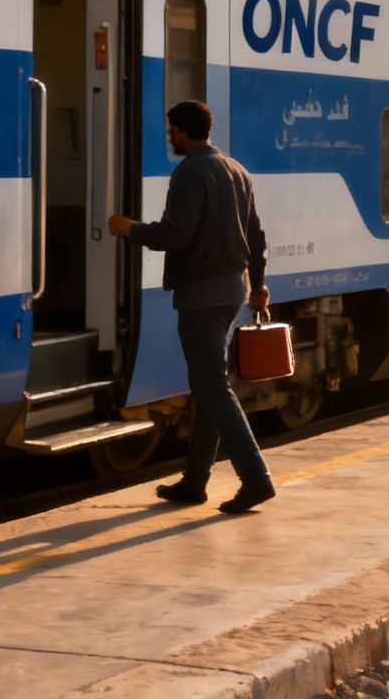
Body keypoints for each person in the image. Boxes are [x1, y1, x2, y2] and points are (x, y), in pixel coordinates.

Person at [107, 100, 275, 514]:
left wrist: (130, 230)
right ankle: (195, 481)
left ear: (182, 130)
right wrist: (259, 286)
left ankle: (255, 479)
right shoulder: (237, 171)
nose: (169, 137)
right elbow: (256, 235)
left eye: (171, 131)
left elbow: (176, 235)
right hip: (233, 289)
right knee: (208, 385)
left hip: (202, 292)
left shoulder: (189, 173)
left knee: (213, 387)